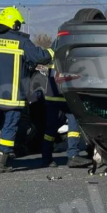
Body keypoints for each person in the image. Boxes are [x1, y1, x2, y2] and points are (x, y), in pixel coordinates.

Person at [0, 7, 53, 173]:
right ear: (14, 25)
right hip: (12, 97)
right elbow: (40, 56)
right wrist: (54, 51)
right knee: (9, 126)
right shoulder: (21, 42)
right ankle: (2, 161)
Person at [42, 40, 92, 169]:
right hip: (68, 94)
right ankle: (73, 156)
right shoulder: (76, 48)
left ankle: (46, 157)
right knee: (73, 125)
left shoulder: (56, 45)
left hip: (53, 94)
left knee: (51, 128)